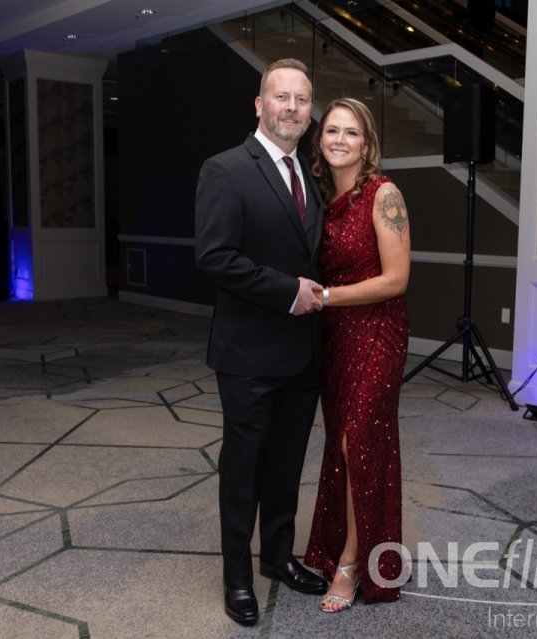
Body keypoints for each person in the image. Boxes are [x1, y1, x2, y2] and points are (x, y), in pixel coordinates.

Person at [194, 58, 329, 627]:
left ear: (309, 111)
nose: (291, 107)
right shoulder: (225, 169)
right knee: (243, 469)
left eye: (301, 99)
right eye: (281, 96)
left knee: (287, 463)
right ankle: (237, 577)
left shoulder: (312, 177)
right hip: (248, 354)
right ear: (260, 104)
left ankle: (277, 556)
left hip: (303, 353)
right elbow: (215, 257)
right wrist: (287, 292)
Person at [303, 97, 411, 612]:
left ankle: (350, 563)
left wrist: (326, 297)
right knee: (341, 443)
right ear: (320, 140)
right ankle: (340, 546)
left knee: (359, 442)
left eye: (351, 132)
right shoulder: (319, 197)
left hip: (378, 332)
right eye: (332, 131)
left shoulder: (383, 194)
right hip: (336, 338)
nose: (340, 140)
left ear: (367, 144)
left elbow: (396, 279)